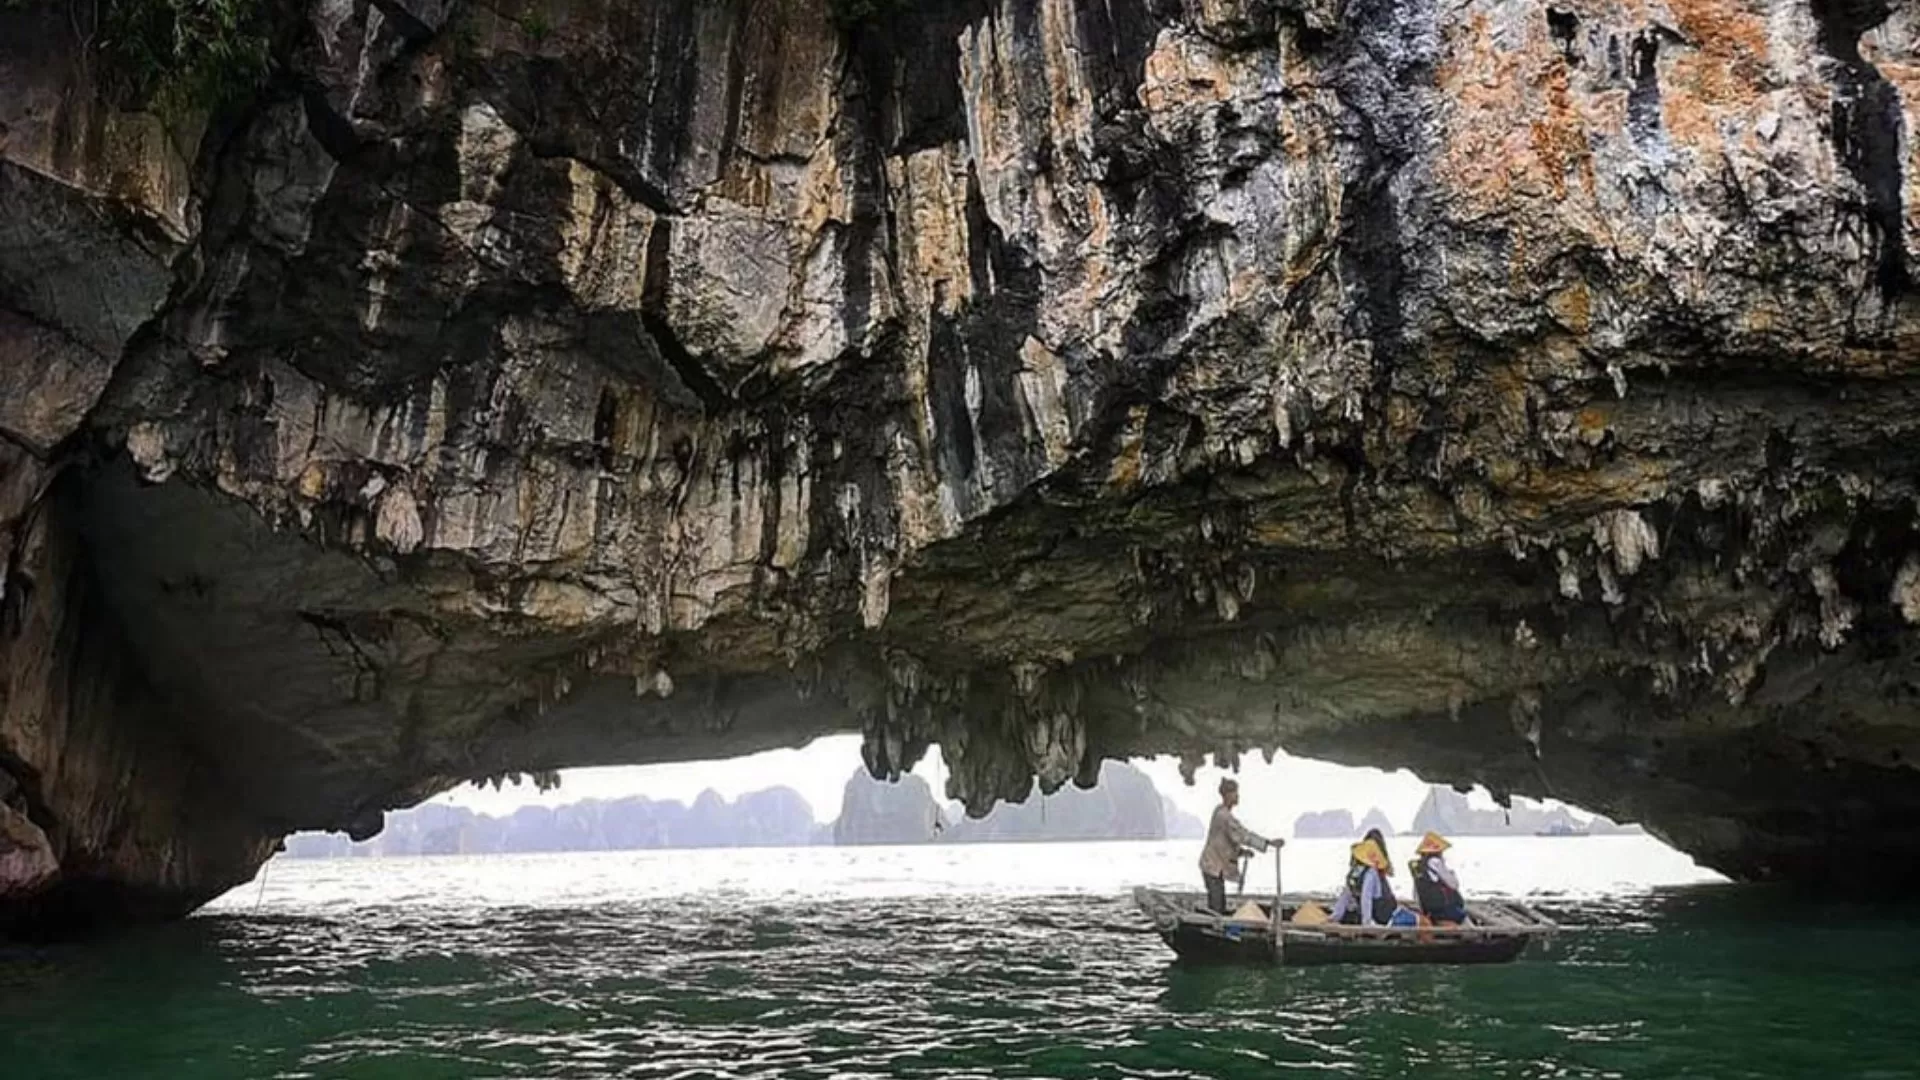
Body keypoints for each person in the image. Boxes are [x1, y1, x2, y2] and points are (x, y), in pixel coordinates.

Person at [1198, 777, 1271, 913]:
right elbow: (1241, 834)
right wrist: (1267, 843)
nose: (1237, 796)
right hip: (1212, 866)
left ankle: (1217, 918)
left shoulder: (1221, 812)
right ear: (1227, 795)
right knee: (1217, 906)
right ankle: (1215, 922)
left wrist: (1242, 852)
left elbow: (1227, 842)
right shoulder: (1223, 816)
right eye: (1234, 793)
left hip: (1214, 866)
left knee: (1219, 903)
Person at [1330, 838, 1396, 926]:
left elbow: (1366, 898)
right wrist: (1335, 916)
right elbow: (1347, 895)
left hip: (1381, 912)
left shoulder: (1369, 873)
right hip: (1372, 911)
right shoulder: (1360, 872)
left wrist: (1366, 923)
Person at [1410, 831, 1467, 923]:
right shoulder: (1436, 862)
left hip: (1428, 910)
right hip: (1442, 910)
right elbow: (1454, 884)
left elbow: (1415, 894)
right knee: (1463, 915)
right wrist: (1452, 873)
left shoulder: (1418, 867)